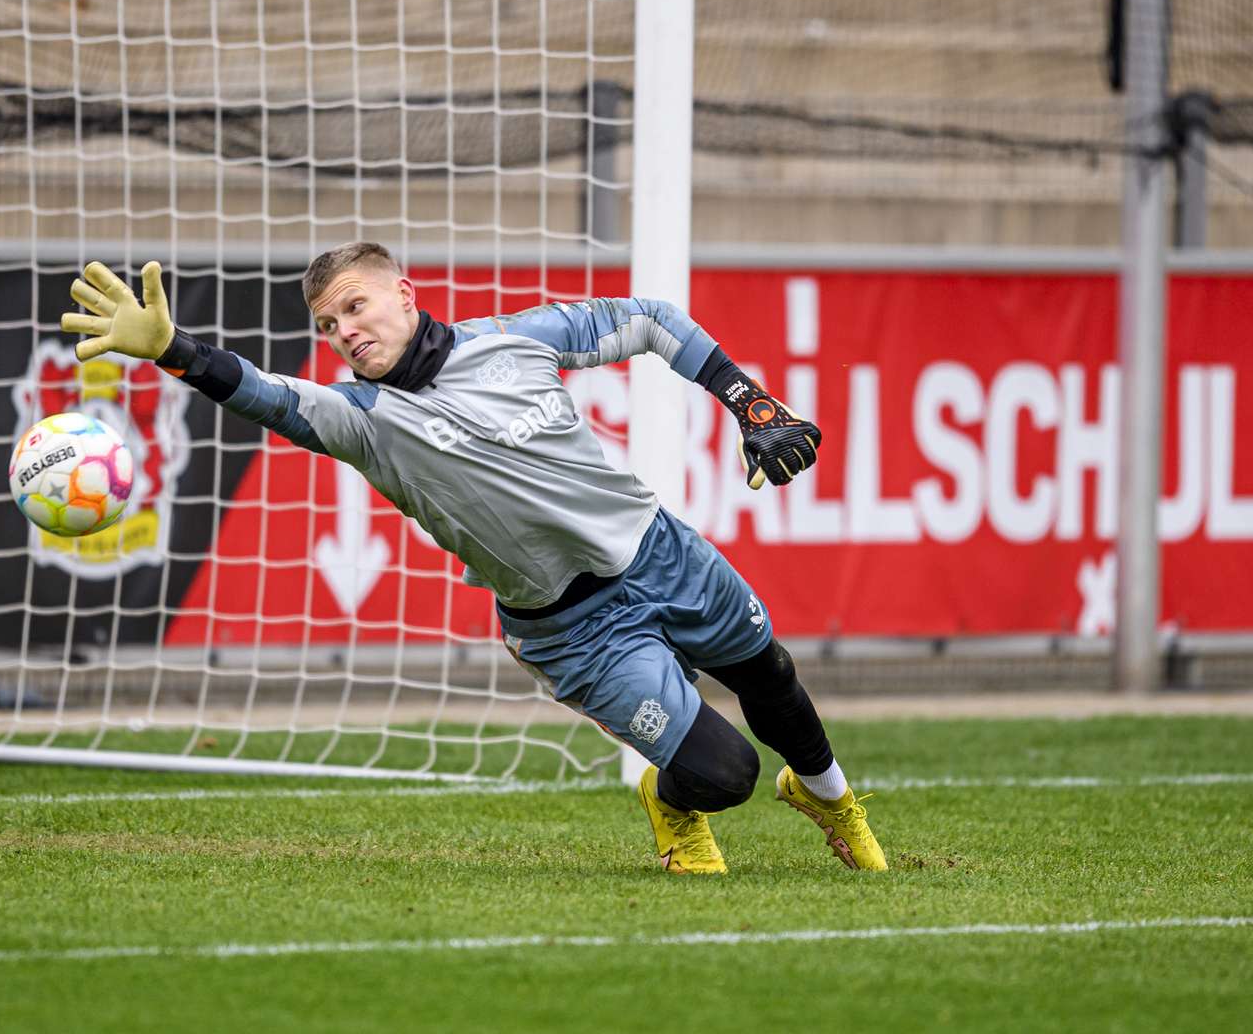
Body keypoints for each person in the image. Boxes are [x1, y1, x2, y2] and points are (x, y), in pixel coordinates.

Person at [63, 243, 886, 874]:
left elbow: (654, 320)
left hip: (656, 551)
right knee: (723, 771)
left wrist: (751, 403)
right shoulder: (363, 418)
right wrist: (174, 347)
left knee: (769, 674)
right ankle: (669, 804)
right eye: (327, 326)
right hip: (572, 629)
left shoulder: (516, 342)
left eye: (355, 307)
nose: (345, 332)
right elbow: (268, 395)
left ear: (404, 295)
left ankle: (831, 801)